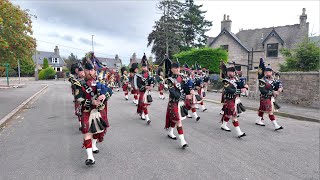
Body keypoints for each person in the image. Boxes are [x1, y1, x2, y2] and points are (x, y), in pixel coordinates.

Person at [74, 55, 113, 166]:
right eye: (88, 70)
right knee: (87, 133)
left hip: (98, 112)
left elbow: (110, 91)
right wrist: (91, 102)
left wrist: (105, 96)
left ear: (94, 70)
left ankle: (94, 145)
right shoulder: (79, 84)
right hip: (87, 111)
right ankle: (90, 157)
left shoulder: (100, 83)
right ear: (84, 71)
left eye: (92, 70)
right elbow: (78, 98)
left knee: (96, 132)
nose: (90, 72)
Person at [165, 60, 189, 148]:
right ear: (172, 69)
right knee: (178, 121)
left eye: (178, 67)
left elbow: (186, 89)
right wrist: (184, 96)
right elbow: (173, 93)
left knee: (175, 120)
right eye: (175, 68)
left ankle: (170, 132)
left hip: (181, 103)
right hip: (174, 102)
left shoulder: (183, 78)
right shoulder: (170, 80)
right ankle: (183, 141)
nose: (177, 69)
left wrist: (190, 91)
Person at [256, 58, 283, 130]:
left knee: (262, 109)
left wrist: (280, 90)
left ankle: (258, 120)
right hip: (264, 97)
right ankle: (276, 125)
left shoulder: (274, 80)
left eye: (269, 71)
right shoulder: (262, 80)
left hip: (270, 98)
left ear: (271, 72)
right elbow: (262, 90)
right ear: (265, 72)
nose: (268, 73)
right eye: (266, 71)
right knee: (270, 111)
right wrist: (273, 92)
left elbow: (279, 85)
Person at [220, 64, 246, 138]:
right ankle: (239, 132)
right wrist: (240, 90)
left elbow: (242, 86)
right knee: (234, 116)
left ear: (234, 72)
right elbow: (230, 90)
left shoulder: (237, 79)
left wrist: (245, 87)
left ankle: (224, 125)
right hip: (229, 99)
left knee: (228, 114)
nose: (230, 73)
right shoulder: (225, 81)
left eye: (231, 71)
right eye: (229, 72)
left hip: (236, 100)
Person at [135, 53, 152, 125]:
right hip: (142, 91)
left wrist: (151, 85)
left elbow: (152, 81)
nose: (145, 68)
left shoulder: (149, 74)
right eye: (144, 67)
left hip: (147, 92)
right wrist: (145, 87)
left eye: (146, 67)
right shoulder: (139, 75)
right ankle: (147, 118)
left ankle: (142, 114)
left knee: (145, 104)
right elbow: (138, 84)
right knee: (144, 104)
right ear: (142, 68)